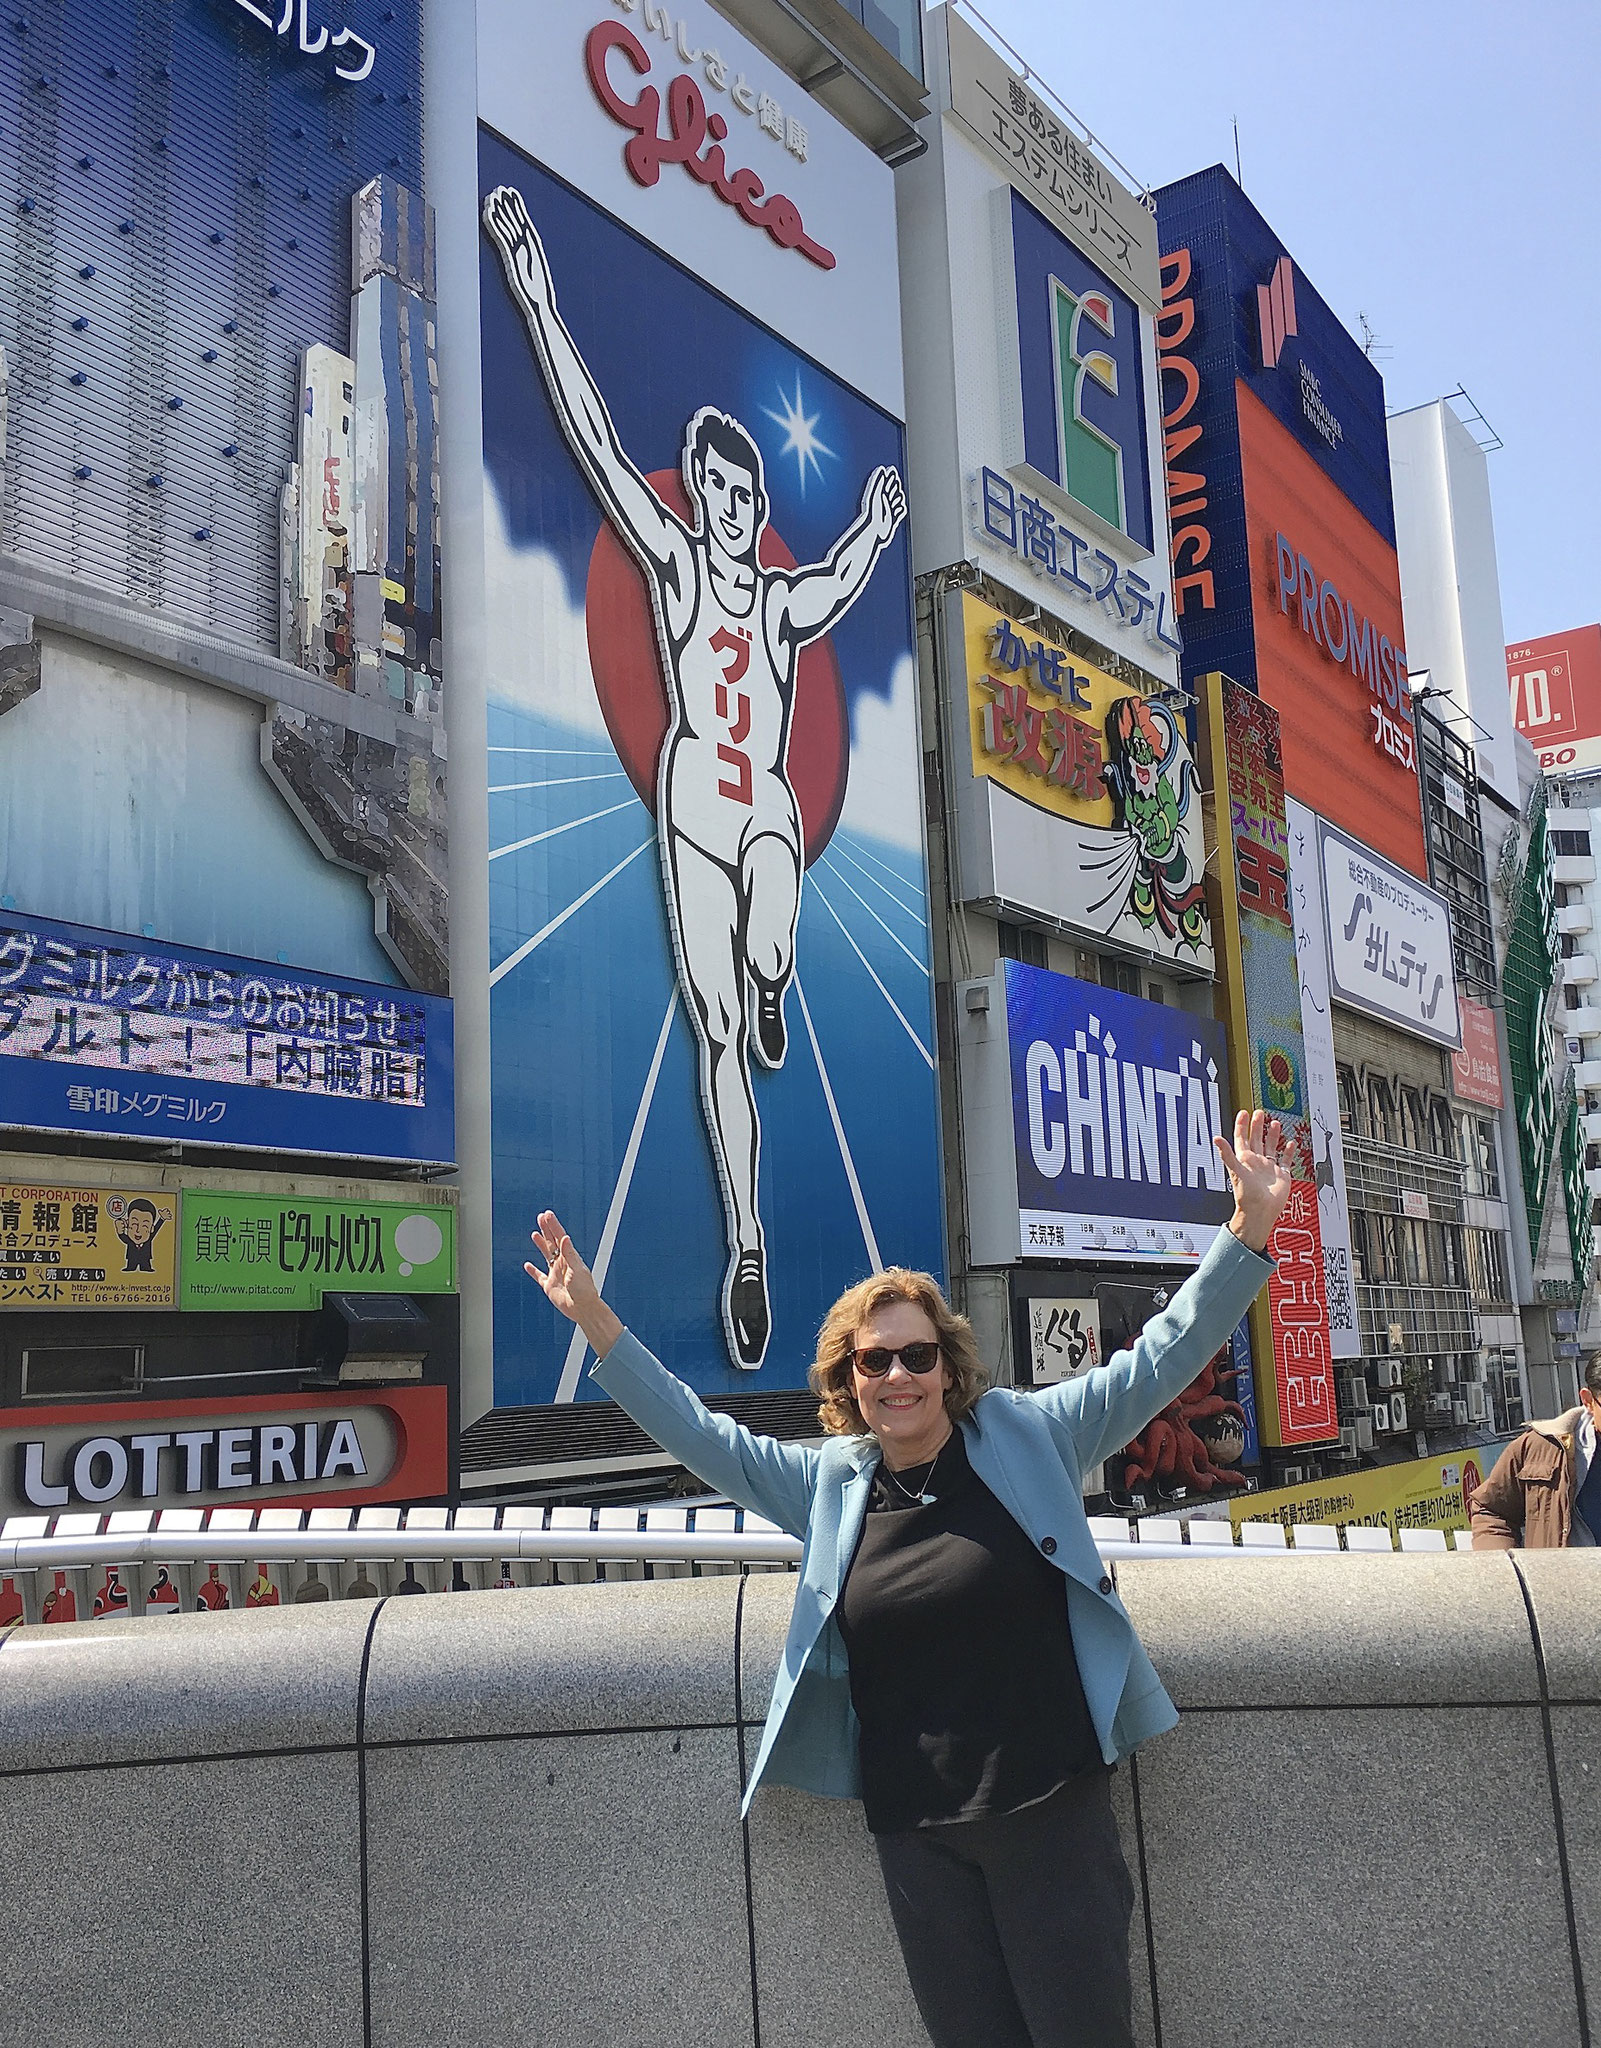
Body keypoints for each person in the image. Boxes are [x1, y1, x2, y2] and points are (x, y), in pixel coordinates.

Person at [524, 1109, 1290, 2048]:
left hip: (1048, 1811)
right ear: (848, 1379)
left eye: (916, 1356)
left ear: (946, 1366)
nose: (898, 1375)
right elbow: (702, 1437)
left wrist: (1248, 1227)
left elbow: (1160, 1356)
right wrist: (599, 1325)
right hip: (916, 1834)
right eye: (874, 1360)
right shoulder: (826, 1484)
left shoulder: (1027, 1436)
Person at [483, 182, 906, 1372]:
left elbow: (834, 579)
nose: (723, 511)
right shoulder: (671, 565)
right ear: (700, 494)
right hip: (690, 811)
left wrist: (876, 527)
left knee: (767, 941)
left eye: (739, 497)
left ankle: (776, 973)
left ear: (755, 503)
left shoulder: (773, 602)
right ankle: (750, 1244)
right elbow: (594, 441)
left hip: (762, 808)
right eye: (711, 492)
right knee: (715, 1036)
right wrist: (532, 287)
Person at [1470, 1357, 1601, 1548]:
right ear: (1588, 1401)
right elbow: (1491, 1510)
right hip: (1562, 1576)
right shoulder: (1541, 1447)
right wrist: (1508, 1567)